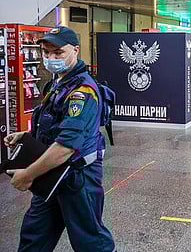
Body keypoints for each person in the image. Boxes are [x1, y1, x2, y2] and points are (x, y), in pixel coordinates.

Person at [4, 26, 115, 251]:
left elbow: (66, 147)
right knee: (34, 236)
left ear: (75, 50)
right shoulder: (57, 83)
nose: (50, 58)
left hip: (77, 178)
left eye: (58, 53)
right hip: (50, 173)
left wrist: (28, 174)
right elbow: (53, 126)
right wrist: (26, 136)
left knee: (90, 241)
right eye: (46, 52)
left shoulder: (82, 92)